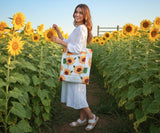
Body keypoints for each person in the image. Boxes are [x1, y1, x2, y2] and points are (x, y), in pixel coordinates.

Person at [51, 4, 99, 131]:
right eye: (76, 12)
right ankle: (82, 119)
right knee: (77, 93)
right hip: (75, 67)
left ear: (85, 16)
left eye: (80, 13)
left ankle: (92, 117)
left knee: (78, 95)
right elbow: (68, 42)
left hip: (76, 67)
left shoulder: (82, 29)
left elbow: (77, 49)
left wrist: (59, 42)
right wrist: (58, 32)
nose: (77, 14)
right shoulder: (78, 28)